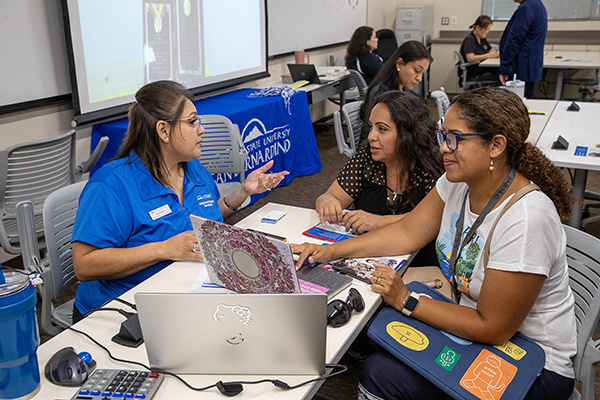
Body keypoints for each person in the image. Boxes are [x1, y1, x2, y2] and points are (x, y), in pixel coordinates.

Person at [294, 87, 577, 400]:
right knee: (377, 331)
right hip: (476, 329)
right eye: (444, 133)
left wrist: (407, 300)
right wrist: (327, 252)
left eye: (455, 138)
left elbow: (494, 328)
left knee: (380, 370)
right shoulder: (457, 182)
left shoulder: (526, 219)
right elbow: (405, 233)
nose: (443, 146)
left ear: (496, 145)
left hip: (533, 364)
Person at [71, 80, 288, 320]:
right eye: (193, 121)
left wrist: (242, 192)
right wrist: (163, 250)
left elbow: (200, 220)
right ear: (163, 131)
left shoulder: (193, 168)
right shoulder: (111, 185)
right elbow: (84, 265)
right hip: (121, 310)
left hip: (185, 288)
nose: (201, 129)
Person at [316, 90, 443, 266]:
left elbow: (433, 220)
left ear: (408, 133)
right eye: (371, 127)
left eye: (382, 129)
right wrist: (326, 202)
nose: (371, 136)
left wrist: (378, 221)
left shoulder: (432, 167)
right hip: (367, 259)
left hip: (419, 264)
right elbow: (329, 196)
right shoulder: (366, 158)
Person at [359, 40, 432, 139]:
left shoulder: (402, 90)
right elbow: (377, 135)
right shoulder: (382, 94)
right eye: (417, 71)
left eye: (422, 73)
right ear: (399, 64)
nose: (419, 78)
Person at [499, 0, 548, 99]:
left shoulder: (526, 8)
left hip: (521, 67)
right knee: (526, 100)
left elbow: (514, 40)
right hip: (529, 65)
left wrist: (505, 68)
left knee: (515, 103)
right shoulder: (538, 5)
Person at [459, 15, 499, 85]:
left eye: (488, 30)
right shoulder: (470, 40)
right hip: (475, 73)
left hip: (483, 70)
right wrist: (489, 55)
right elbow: (470, 58)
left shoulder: (482, 39)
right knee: (500, 75)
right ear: (477, 27)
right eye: (485, 29)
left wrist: (493, 53)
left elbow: (491, 49)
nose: (487, 32)